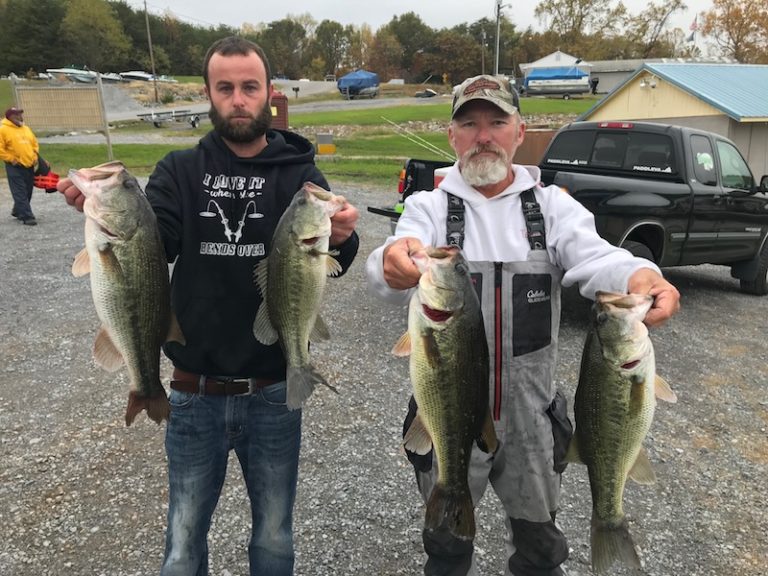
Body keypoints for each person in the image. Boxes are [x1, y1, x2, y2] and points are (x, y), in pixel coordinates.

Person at [58, 36, 360, 576]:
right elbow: (155, 243)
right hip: (193, 393)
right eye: (225, 88)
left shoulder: (301, 175)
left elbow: (329, 253)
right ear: (208, 94)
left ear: (269, 92)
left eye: (249, 87)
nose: (238, 99)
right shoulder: (179, 169)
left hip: (274, 391)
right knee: (182, 541)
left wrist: (343, 235)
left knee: (275, 538)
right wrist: (103, 212)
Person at [365, 74, 680, 576]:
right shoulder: (429, 207)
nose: (483, 136)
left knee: (539, 549)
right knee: (446, 546)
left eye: (496, 122)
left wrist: (642, 275)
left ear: (519, 132)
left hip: (533, 420)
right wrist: (389, 263)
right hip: (450, 409)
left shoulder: (551, 207)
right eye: (469, 124)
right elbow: (392, 258)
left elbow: (599, 259)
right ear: (452, 136)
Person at [1, 107, 40, 225]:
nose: (20, 117)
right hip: (14, 166)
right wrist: (10, 159)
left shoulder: (26, 129)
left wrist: (35, 156)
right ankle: (27, 216)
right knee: (19, 191)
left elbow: (34, 144)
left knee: (28, 190)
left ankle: (18, 210)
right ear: (10, 117)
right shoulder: (3, 130)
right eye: (16, 115)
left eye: (20, 114)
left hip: (29, 164)